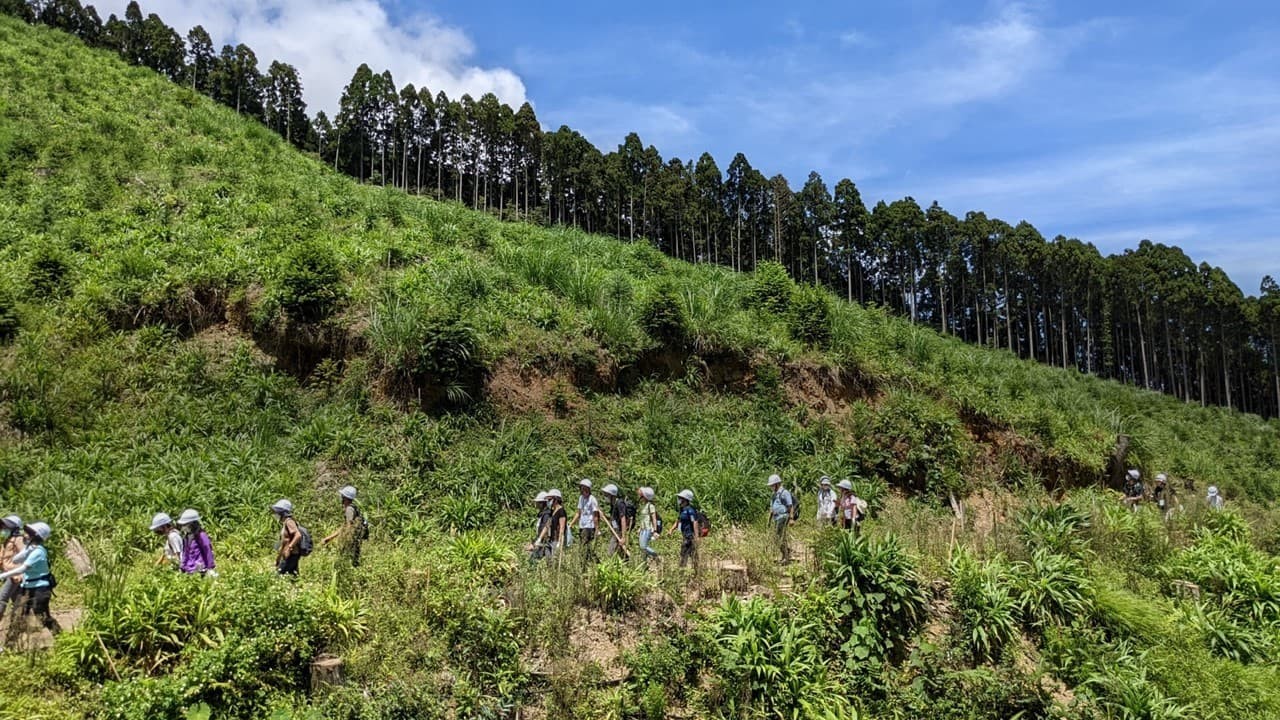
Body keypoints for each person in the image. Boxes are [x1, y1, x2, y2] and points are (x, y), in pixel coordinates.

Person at [0, 522, 61, 650]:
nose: (25, 534)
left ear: (35, 536)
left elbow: (22, 568)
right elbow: (16, 560)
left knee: (42, 616)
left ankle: (62, 639)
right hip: (26, 587)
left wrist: (2, 576)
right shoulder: (31, 549)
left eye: (29, 533)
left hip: (40, 588)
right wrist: (27, 549)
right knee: (16, 615)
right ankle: (9, 646)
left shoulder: (39, 552)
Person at [321, 485, 365, 568]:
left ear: (345, 497)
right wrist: (329, 538)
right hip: (355, 538)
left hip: (351, 540)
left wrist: (331, 538)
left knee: (346, 559)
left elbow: (348, 527)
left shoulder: (349, 509)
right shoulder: (354, 508)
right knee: (354, 560)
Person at [569, 479, 603, 561]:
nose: (583, 490)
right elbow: (578, 513)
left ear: (589, 489)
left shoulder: (592, 499)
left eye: (585, 488)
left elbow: (595, 515)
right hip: (582, 525)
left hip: (589, 526)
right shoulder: (581, 498)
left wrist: (597, 529)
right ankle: (596, 562)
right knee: (586, 546)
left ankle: (583, 565)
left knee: (583, 547)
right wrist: (571, 524)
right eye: (582, 488)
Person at [0, 515, 26, 619]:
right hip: (8, 574)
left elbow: (25, 555)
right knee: (17, 600)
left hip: (15, 575)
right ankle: (20, 622)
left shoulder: (19, 540)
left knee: (2, 597)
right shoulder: (8, 540)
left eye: (6, 527)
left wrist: (21, 573)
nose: (3, 529)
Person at [176, 509, 216, 576]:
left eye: (185, 525)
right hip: (189, 569)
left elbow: (208, 551)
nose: (183, 527)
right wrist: (182, 566)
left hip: (200, 569)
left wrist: (210, 567)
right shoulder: (187, 536)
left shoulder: (201, 535)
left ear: (192, 524)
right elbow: (186, 553)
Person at [767, 474, 795, 563]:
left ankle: (786, 557)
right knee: (778, 537)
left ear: (777, 484)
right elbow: (772, 509)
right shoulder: (774, 495)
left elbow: (790, 506)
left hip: (783, 517)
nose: (771, 487)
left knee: (779, 537)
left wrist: (791, 518)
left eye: (772, 485)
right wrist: (769, 520)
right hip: (777, 518)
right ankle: (786, 552)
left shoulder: (785, 493)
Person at [271, 499, 304, 576]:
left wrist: (289, 547)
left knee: (278, 576)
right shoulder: (285, 522)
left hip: (291, 555)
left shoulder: (289, 522)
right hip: (288, 555)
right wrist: (278, 559)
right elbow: (284, 542)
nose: (275, 514)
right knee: (293, 577)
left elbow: (298, 535)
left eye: (277, 512)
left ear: (282, 512)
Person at [602, 484, 631, 557]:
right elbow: (613, 518)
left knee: (610, 553)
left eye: (606, 494)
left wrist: (623, 537)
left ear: (612, 495)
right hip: (614, 530)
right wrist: (603, 516)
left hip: (619, 531)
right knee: (620, 551)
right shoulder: (613, 504)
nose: (605, 496)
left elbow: (623, 519)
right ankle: (626, 564)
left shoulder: (619, 503)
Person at [676, 489, 700, 569]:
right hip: (685, 535)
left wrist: (696, 536)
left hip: (689, 536)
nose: (679, 500)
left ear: (685, 500)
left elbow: (695, 522)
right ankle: (696, 569)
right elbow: (678, 520)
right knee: (692, 553)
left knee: (684, 552)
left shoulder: (691, 510)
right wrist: (671, 530)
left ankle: (682, 570)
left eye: (680, 498)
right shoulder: (682, 510)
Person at [525, 491, 551, 561]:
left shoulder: (546, 515)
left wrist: (534, 544)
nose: (536, 504)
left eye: (538, 502)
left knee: (533, 561)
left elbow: (544, 530)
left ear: (542, 503)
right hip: (541, 542)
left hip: (545, 543)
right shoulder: (542, 514)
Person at [636, 487, 660, 562]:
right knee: (641, 548)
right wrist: (640, 528)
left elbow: (654, 518)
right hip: (643, 529)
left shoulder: (651, 506)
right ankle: (644, 565)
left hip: (648, 529)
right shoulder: (644, 506)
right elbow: (643, 518)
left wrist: (655, 531)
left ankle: (656, 556)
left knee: (643, 547)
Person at [545, 489, 568, 557]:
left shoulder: (561, 511)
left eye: (550, 499)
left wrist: (559, 542)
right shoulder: (552, 511)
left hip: (556, 539)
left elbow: (562, 527)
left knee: (555, 559)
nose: (548, 502)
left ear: (556, 499)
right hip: (550, 539)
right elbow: (548, 525)